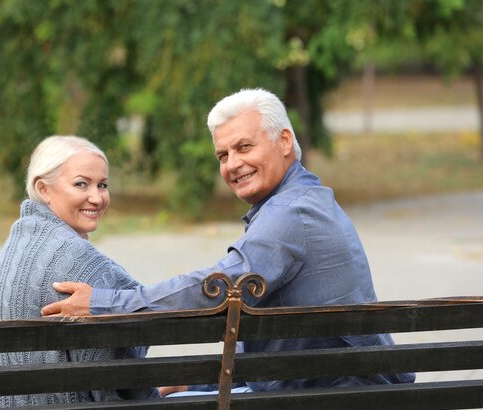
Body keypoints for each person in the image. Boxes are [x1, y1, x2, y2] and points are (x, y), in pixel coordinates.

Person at [41, 89, 415, 394]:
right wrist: (192, 380)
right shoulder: (302, 201)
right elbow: (281, 351)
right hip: (333, 387)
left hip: (329, 398)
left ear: (284, 141)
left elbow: (217, 289)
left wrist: (105, 304)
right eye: (223, 154)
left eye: (244, 147)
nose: (232, 164)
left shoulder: (292, 214)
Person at [0, 135, 157, 409]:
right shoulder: (81, 262)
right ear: (43, 189)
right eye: (81, 184)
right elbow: (123, 371)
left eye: (102, 185)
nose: (96, 197)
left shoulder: (19, 240)